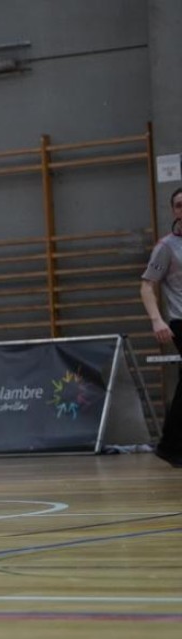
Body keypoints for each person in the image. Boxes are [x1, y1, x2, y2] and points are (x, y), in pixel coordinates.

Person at [141, 186, 182, 468]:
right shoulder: (166, 247)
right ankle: (169, 445)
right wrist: (156, 319)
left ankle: (170, 446)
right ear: (173, 211)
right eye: (179, 205)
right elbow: (146, 286)